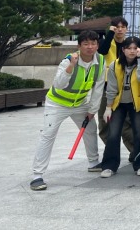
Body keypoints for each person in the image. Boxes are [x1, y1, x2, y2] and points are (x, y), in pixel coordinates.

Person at [30, 30, 105, 191]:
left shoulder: (100, 61)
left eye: (93, 43)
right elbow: (58, 84)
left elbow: (98, 87)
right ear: (79, 46)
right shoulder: (69, 60)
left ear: (98, 45)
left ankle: (93, 162)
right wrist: (71, 66)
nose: (90, 47)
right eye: (86, 44)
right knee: (48, 135)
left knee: (90, 129)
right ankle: (37, 175)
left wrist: (92, 110)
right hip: (57, 104)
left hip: (79, 103)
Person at [99, 36, 140, 178]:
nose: (132, 51)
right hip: (118, 103)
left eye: (135, 48)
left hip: (137, 103)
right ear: (123, 49)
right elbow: (111, 88)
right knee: (113, 133)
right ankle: (109, 165)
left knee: (139, 133)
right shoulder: (115, 65)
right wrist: (108, 107)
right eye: (129, 48)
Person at [97, 16, 134, 160]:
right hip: (107, 86)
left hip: (126, 87)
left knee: (127, 123)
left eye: (122, 27)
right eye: (116, 27)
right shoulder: (107, 41)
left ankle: (135, 151)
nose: (119, 29)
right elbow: (102, 52)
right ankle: (111, 153)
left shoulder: (130, 44)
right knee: (105, 121)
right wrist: (110, 34)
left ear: (126, 29)